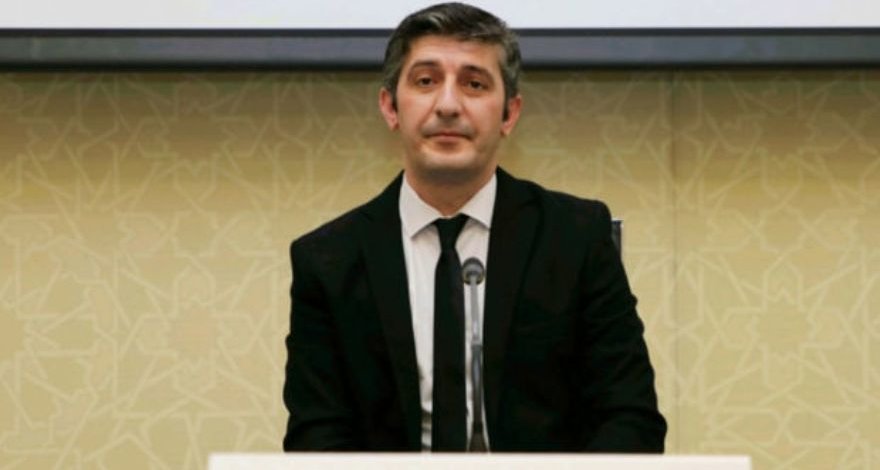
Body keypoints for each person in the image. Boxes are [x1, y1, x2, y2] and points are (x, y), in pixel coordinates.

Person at [283, 2, 666, 452]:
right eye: (426, 81)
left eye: (474, 84)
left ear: (509, 114)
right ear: (390, 107)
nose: (448, 105)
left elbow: (630, 418)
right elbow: (316, 437)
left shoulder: (576, 238)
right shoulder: (328, 260)